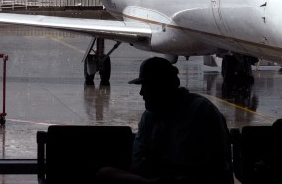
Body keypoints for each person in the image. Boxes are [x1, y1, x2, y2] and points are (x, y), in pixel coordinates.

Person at [96, 57, 233, 184]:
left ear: (162, 86)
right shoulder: (149, 117)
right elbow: (137, 164)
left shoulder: (203, 112)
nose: (141, 93)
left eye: (147, 86)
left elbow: (217, 168)